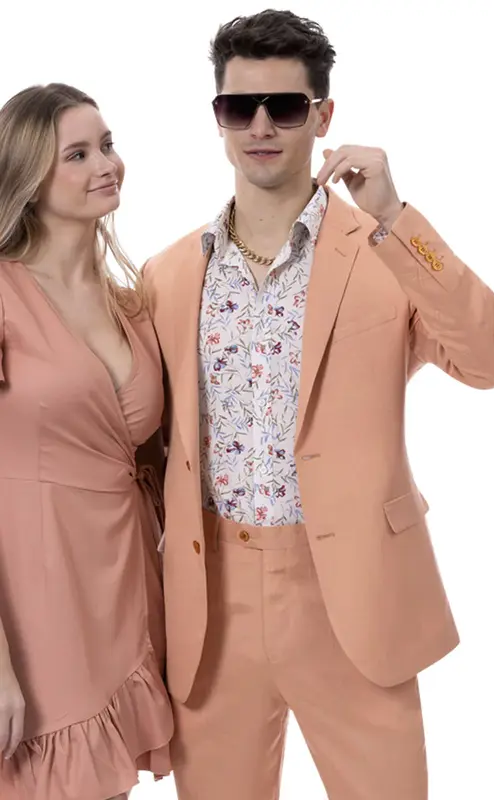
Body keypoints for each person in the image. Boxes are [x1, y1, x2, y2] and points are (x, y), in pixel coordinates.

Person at [143, 10, 494, 800]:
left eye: (284, 107)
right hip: (208, 608)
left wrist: (397, 219)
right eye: (238, 107)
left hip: (353, 599)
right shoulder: (168, 274)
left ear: (322, 117)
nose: (259, 127)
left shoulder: (385, 255)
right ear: (216, 118)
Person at [0, 83, 173, 800]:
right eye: (77, 154)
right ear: (28, 178)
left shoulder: (131, 302)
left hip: (126, 585)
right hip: (33, 599)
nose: (106, 164)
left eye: (106, 145)